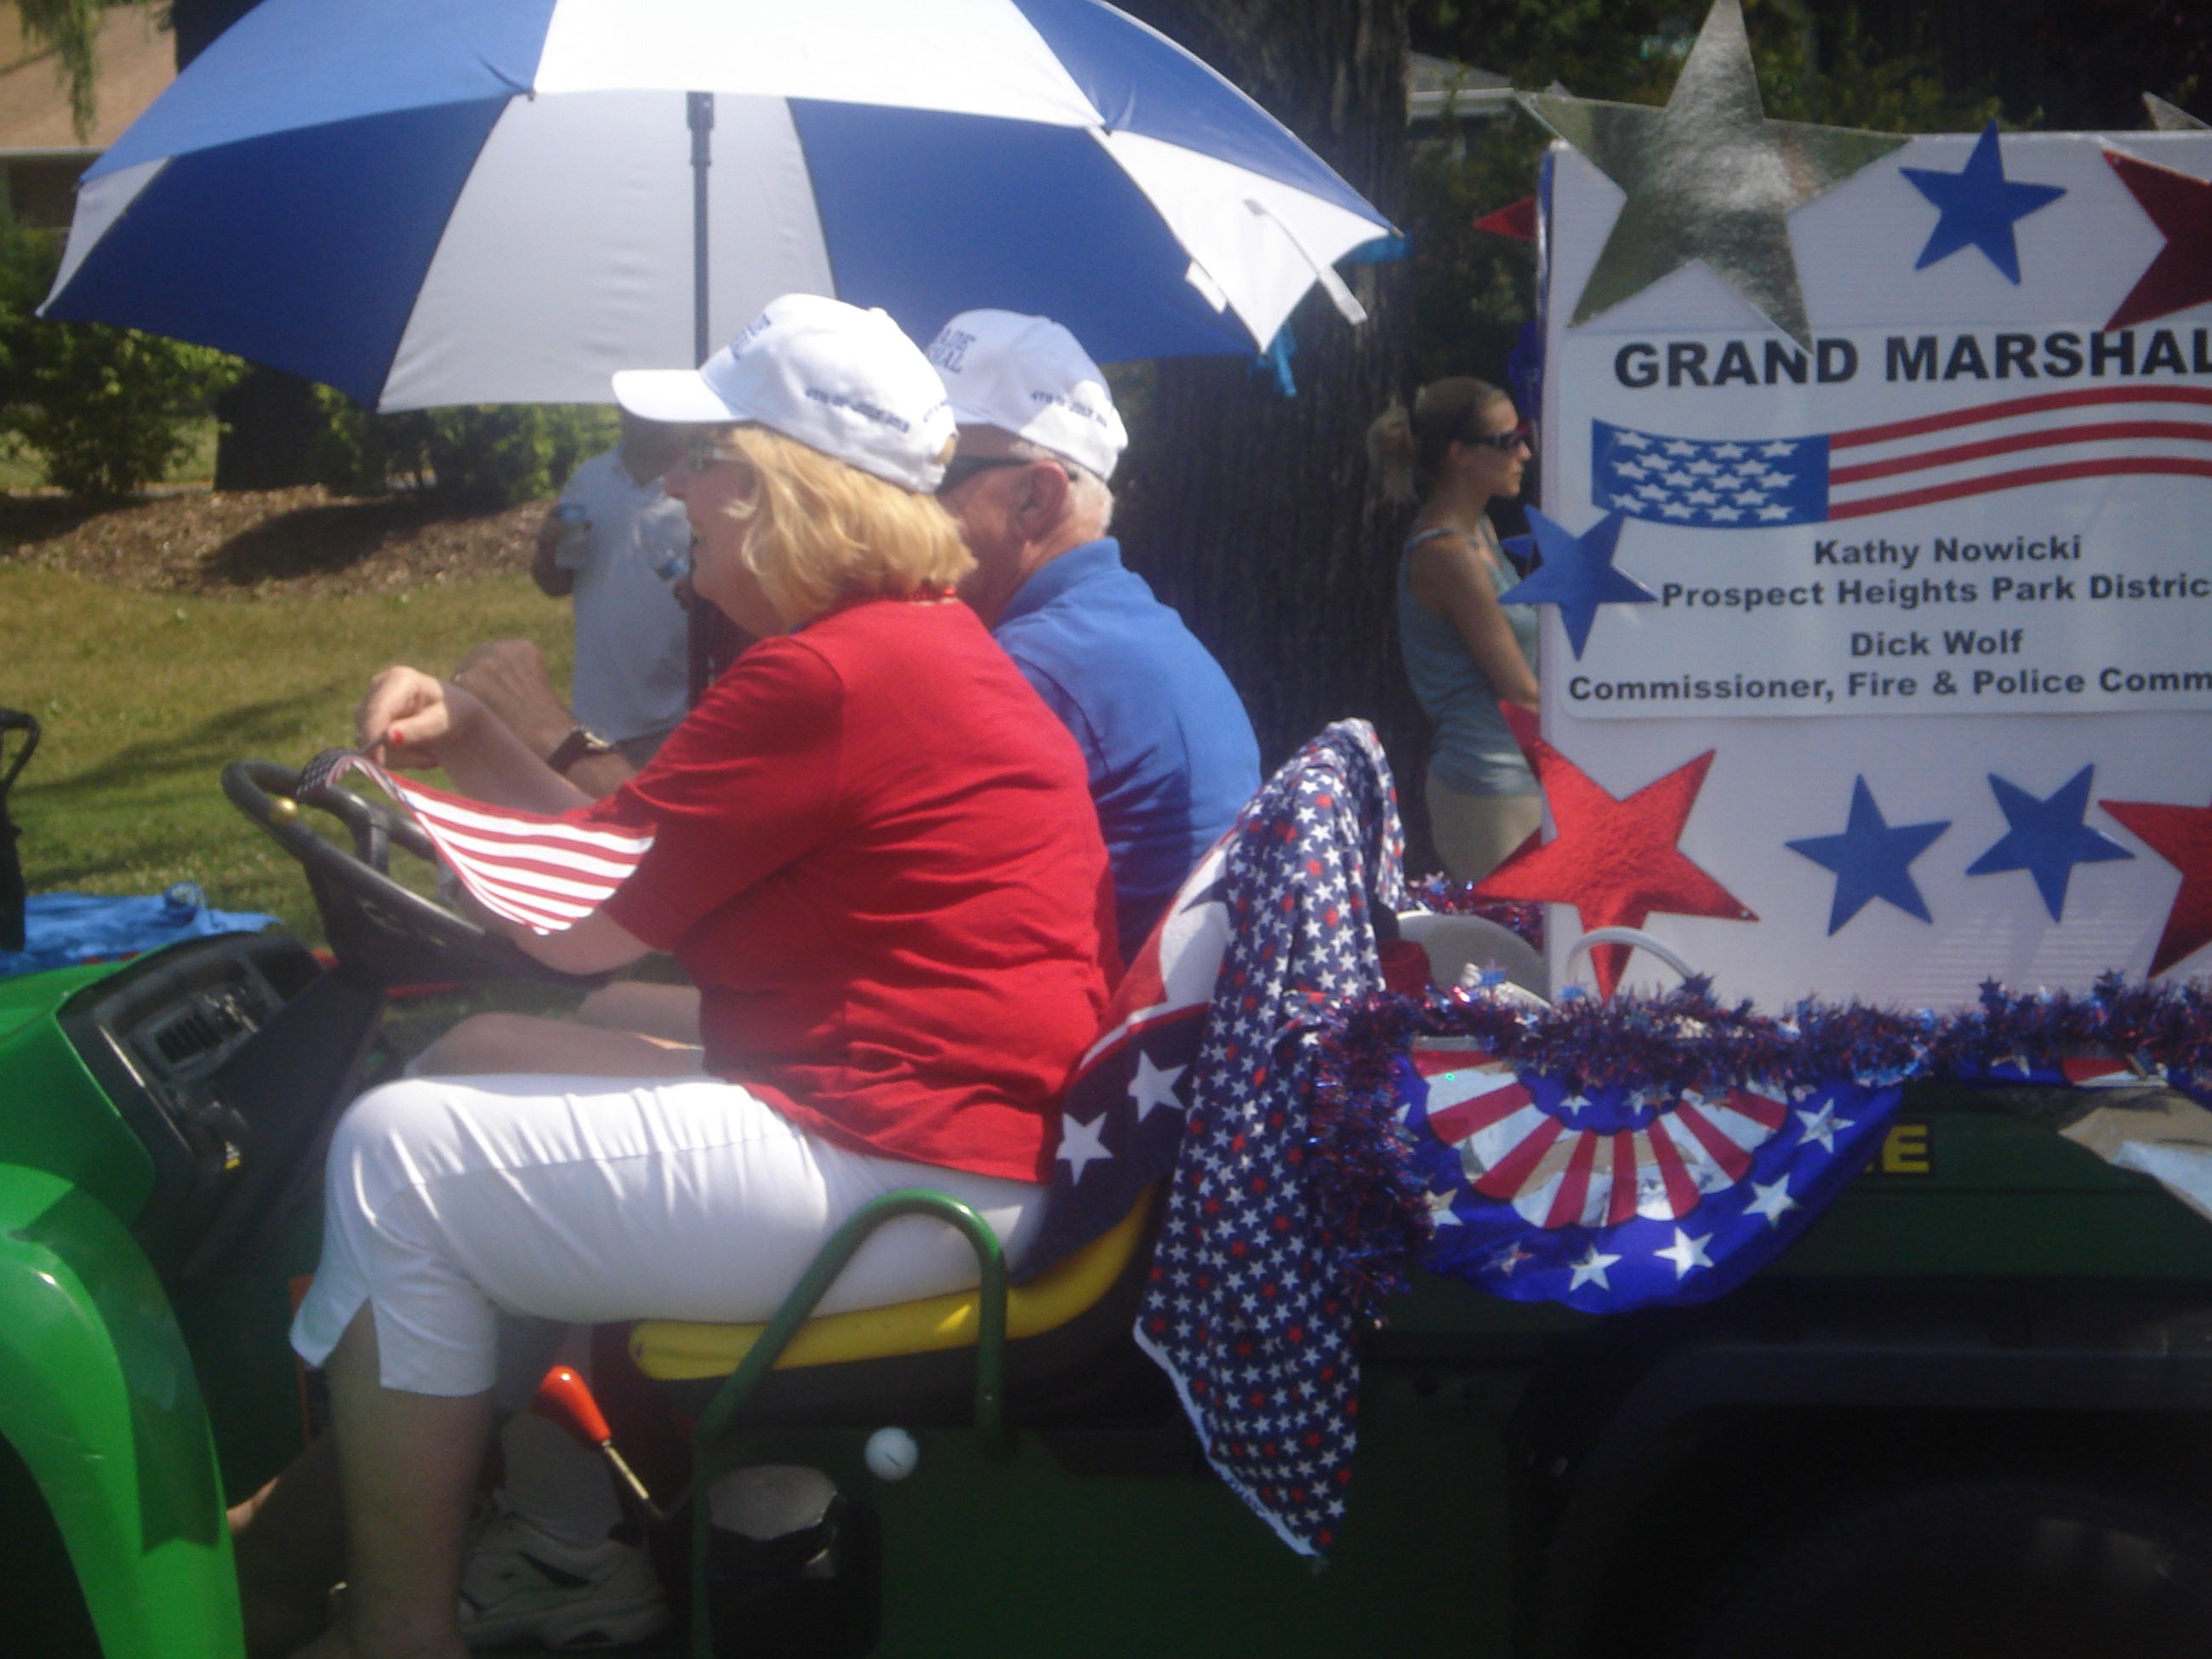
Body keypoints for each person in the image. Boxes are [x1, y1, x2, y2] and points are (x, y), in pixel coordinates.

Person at [234, 294, 1115, 1659]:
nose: (675, 485)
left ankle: (394, 1628)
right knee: (483, 1082)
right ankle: (318, 1545)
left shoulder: (827, 679)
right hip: (940, 1143)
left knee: (396, 1156)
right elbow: (623, 870)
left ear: (774, 489)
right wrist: (467, 740)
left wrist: (389, 798)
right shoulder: (902, 653)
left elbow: (576, 917)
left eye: (702, 460)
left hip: (913, 1172)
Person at [926, 309, 1262, 961]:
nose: (893, 499)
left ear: (1036, 500)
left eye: (931, 474)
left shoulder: (1033, 669)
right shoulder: (1114, 628)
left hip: (1107, 1051)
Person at [1369, 378, 1540, 883]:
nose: (1526, 452)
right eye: (1509, 441)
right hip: (1489, 788)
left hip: (1517, 776)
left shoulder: (1479, 530)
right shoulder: (1448, 555)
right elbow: (1520, 691)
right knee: (1514, 957)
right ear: (1459, 454)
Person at [530, 412, 693, 771]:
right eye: (633, 408)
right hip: (595, 715)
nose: (646, 418)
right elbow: (554, 584)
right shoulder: (590, 480)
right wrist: (547, 550)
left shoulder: (699, 484)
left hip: (680, 715)